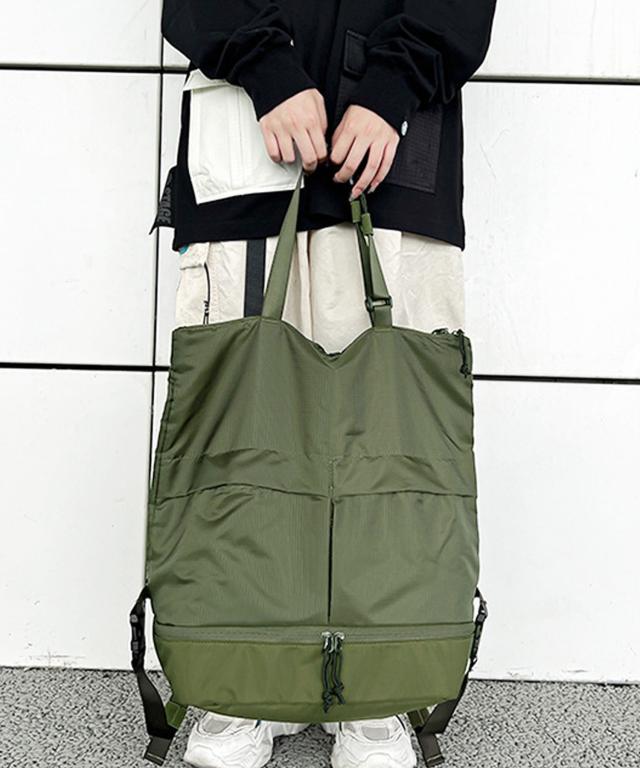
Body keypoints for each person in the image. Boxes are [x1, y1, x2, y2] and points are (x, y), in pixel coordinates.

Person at [156, 2, 496, 767]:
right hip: (248, 128)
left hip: (392, 139)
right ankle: (241, 673)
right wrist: (267, 68)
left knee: (391, 440)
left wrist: (393, 85)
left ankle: (378, 681)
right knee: (240, 427)